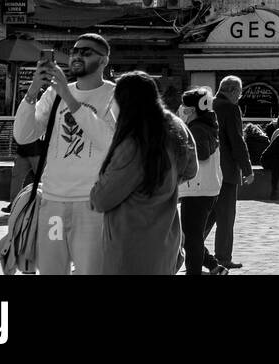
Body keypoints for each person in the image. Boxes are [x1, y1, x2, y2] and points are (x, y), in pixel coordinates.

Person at [13, 34, 118, 275]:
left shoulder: (115, 95)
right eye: (74, 51)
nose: (78, 55)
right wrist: (33, 90)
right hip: (53, 202)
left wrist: (69, 98)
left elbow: (108, 142)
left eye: (86, 52)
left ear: (104, 60)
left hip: (92, 205)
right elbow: (24, 135)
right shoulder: (54, 93)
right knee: (51, 271)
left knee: (90, 271)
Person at [89, 72, 197, 275]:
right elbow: (191, 169)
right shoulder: (176, 126)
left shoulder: (134, 142)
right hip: (166, 242)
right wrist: (164, 180)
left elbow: (102, 199)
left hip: (130, 248)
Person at [177, 87, 225, 275]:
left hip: (197, 190)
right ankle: (213, 266)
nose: (182, 108)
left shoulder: (196, 128)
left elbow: (202, 154)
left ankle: (195, 271)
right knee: (191, 237)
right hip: (206, 189)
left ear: (192, 109)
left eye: (185, 106)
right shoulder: (207, 125)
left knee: (191, 238)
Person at [208, 76, 253, 271]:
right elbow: (237, 140)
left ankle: (189, 248)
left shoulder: (208, 105)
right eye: (240, 93)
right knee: (225, 217)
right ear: (233, 90)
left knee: (208, 214)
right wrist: (247, 168)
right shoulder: (230, 108)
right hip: (226, 171)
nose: (240, 97)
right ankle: (223, 258)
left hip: (207, 171)